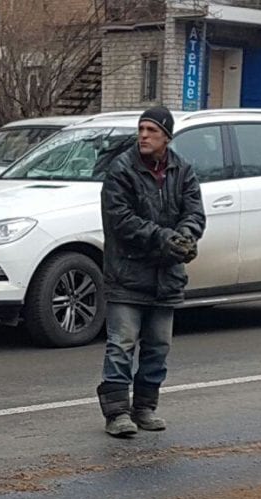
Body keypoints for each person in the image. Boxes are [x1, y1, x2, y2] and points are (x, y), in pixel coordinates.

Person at [96, 106, 205, 438]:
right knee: (122, 344)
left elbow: (195, 212)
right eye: (141, 129)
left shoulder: (183, 171)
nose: (143, 135)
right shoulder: (121, 171)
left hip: (166, 277)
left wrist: (186, 236)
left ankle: (144, 407)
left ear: (166, 137)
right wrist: (166, 238)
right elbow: (122, 221)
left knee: (158, 346)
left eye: (151, 130)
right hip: (127, 274)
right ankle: (117, 413)